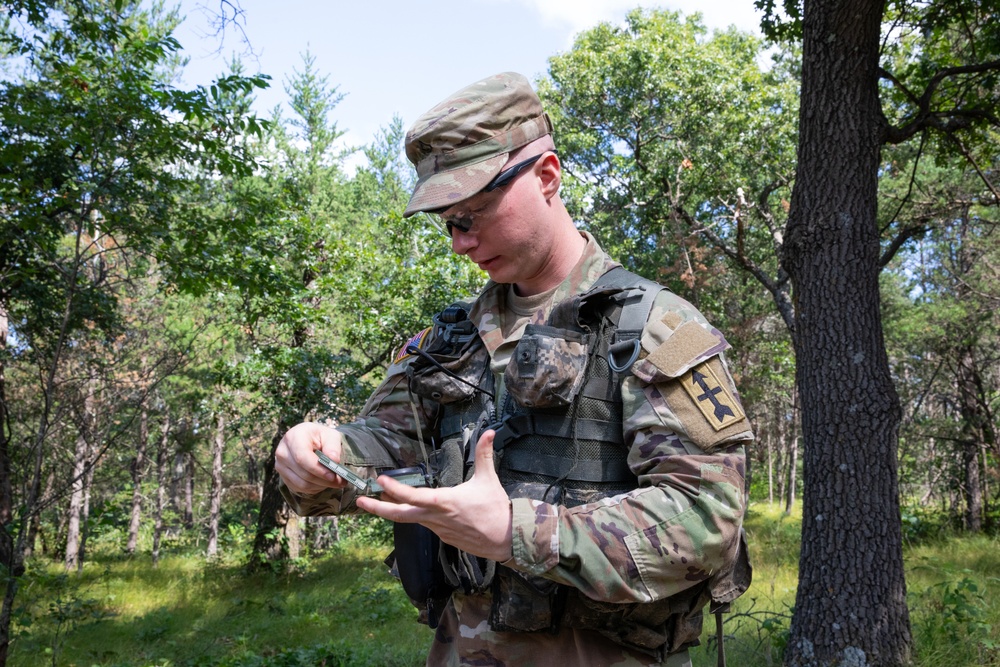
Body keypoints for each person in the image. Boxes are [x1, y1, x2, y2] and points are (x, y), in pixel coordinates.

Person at [275, 71, 753, 667]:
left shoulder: (654, 329)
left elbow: (707, 517)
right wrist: (322, 453)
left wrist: (514, 532)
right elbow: (391, 446)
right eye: (447, 222)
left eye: (472, 215)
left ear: (547, 176)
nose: (458, 242)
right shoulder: (449, 340)